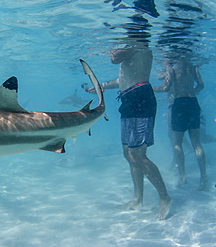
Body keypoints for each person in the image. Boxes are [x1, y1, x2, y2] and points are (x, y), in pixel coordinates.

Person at [83, 41, 172, 220]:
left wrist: (111, 42)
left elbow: (114, 58)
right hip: (128, 99)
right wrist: (103, 87)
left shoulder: (139, 46)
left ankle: (165, 197)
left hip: (140, 98)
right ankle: (138, 198)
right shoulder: (131, 51)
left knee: (138, 155)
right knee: (128, 153)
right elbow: (123, 79)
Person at [153, 57, 207, 190]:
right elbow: (201, 85)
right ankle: (203, 176)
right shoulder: (192, 65)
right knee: (197, 143)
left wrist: (150, 89)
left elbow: (166, 87)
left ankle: (183, 176)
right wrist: (192, 93)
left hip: (179, 104)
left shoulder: (171, 65)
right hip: (192, 103)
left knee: (177, 143)